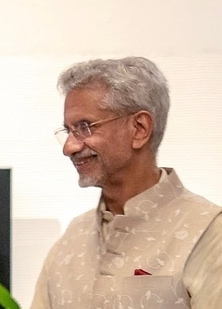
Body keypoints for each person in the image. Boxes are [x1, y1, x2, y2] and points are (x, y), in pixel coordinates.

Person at [31, 57, 222, 309]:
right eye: (68, 131)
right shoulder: (71, 239)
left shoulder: (207, 233)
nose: (69, 147)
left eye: (85, 127)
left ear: (139, 128)